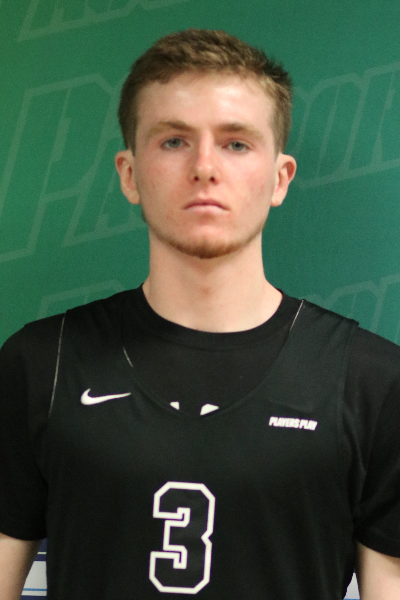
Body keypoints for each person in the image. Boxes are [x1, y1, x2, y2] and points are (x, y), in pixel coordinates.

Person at [0, 28, 400, 600]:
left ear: (280, 178)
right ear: (129, 174)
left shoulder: (373, 383)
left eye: (236, 143)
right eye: (173, 141)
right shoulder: (43, 364)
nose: (205, 167)